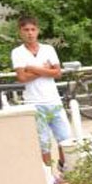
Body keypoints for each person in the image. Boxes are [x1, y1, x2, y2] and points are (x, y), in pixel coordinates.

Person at [12, 15, 73, 169]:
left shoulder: (48, 49)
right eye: (26, 30)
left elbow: (58, 73)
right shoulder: (17, 52)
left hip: (53, 100)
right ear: (20, 31)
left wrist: (32, 68)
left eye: (33, 29)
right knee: (44, 143)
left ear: (38, 31)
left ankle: (64, 168)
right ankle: (48, 175)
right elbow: (22, 77)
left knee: (65, 139)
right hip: (35, 104)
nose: (30, 33)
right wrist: (45, 70)